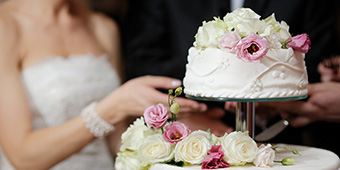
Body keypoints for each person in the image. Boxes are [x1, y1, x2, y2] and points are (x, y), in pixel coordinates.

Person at [0, 0, 208, 169]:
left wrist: (176, 136)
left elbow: (116, 139)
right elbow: (23, 157)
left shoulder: (103, 27)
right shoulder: (6, 25)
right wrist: (111, 109)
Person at [121, 0, 340, 155]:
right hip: (194, 132)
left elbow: (316, 57)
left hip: (283, 137)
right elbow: (141, 59)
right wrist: (191, 109)